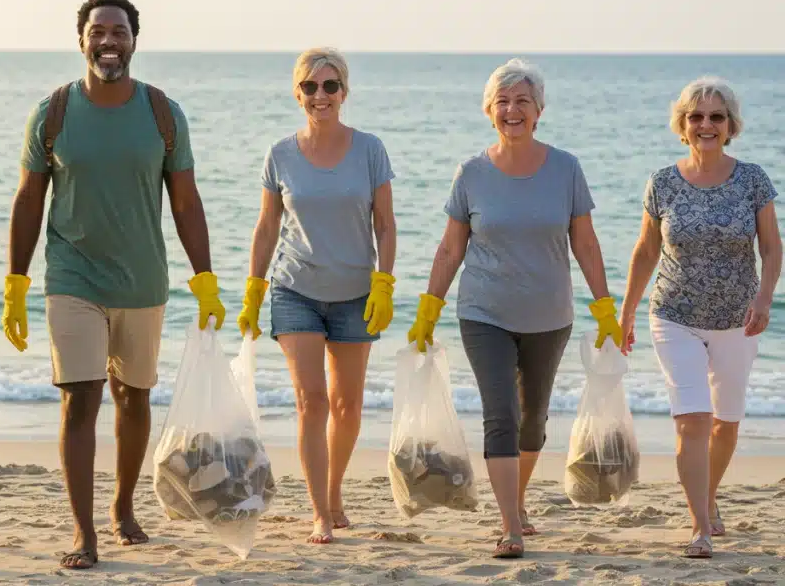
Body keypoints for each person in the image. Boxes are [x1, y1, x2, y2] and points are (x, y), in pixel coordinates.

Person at [3, 0, 224, 570]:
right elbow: (29, 201)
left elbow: (186, 200)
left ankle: (123, 508)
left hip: (142, 281)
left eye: (119, 31)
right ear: (81, 40)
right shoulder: (52, 113)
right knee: (81, 399)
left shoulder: (161, 113)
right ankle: (84, 532)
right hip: (72, 277)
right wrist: (15, 284)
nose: (108, 40)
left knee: (134, 397)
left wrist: (206, 278)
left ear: (134, 39)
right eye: (98, 31)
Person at [406, 58, 621, 559]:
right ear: (489, 110)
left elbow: (585, 245)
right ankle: (510, 526)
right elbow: (449, 249)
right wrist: (428, 309)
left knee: (533, 421)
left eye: (523, 101)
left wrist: (605, 307)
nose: (512, 109)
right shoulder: (472, 173)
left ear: (539, 110)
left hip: (550, 315)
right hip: (484, 312)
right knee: (500, 413)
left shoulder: (566, 168)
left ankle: (516, 501)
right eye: (503, 101)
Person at [236, 47, 395, 544]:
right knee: (312, 400)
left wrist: (384, 283)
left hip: (354, 294)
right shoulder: (280, 154)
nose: (319, 95)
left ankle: (334, 492)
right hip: (294, 289)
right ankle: (320, 512)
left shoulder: (370, 150)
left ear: (344, 93)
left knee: (348, 405)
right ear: (297, 92)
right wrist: (253, 290)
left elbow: (385, 225)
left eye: (329, 86)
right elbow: (267, 227)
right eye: (309, 86)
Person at [619, 77, 780, 560]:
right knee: (693, 419)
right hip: (674, 315)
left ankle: (707, 499)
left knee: (725, 423)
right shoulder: (663, 182)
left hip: (738, 317)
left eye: (716, 116)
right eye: (696, 116)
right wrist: (625, 312)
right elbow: (647, 251)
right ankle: (699, 526)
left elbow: (772, 248)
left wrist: (765, 298)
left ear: (730, 126)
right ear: (682, 126)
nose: (706, 124)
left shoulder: (752, 179)